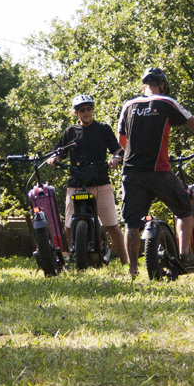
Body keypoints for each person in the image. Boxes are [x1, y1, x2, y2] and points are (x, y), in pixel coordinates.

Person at [118, 68, 194, 277]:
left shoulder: (128, 106)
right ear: (162, 85)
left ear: (143, 85)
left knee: (132, 222)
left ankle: (133, 272)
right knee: (184, 208)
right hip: (158, 171)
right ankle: (184, 254)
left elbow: (122, 142)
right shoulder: (166, 102)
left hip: (131, 172)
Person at [47, 95, 129, 266]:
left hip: (101, 182)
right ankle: (66, 261)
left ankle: (127, 265)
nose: (86, 112)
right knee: (68, 227)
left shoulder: (103, 129)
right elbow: (59, 152)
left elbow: (117, 150)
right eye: (82, 110)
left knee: (112, 226)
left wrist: (115, 158)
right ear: (76, 113)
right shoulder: (71, 131)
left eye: (89, 109)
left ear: (93, 110)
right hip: (76, 183)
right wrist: (55, 159)